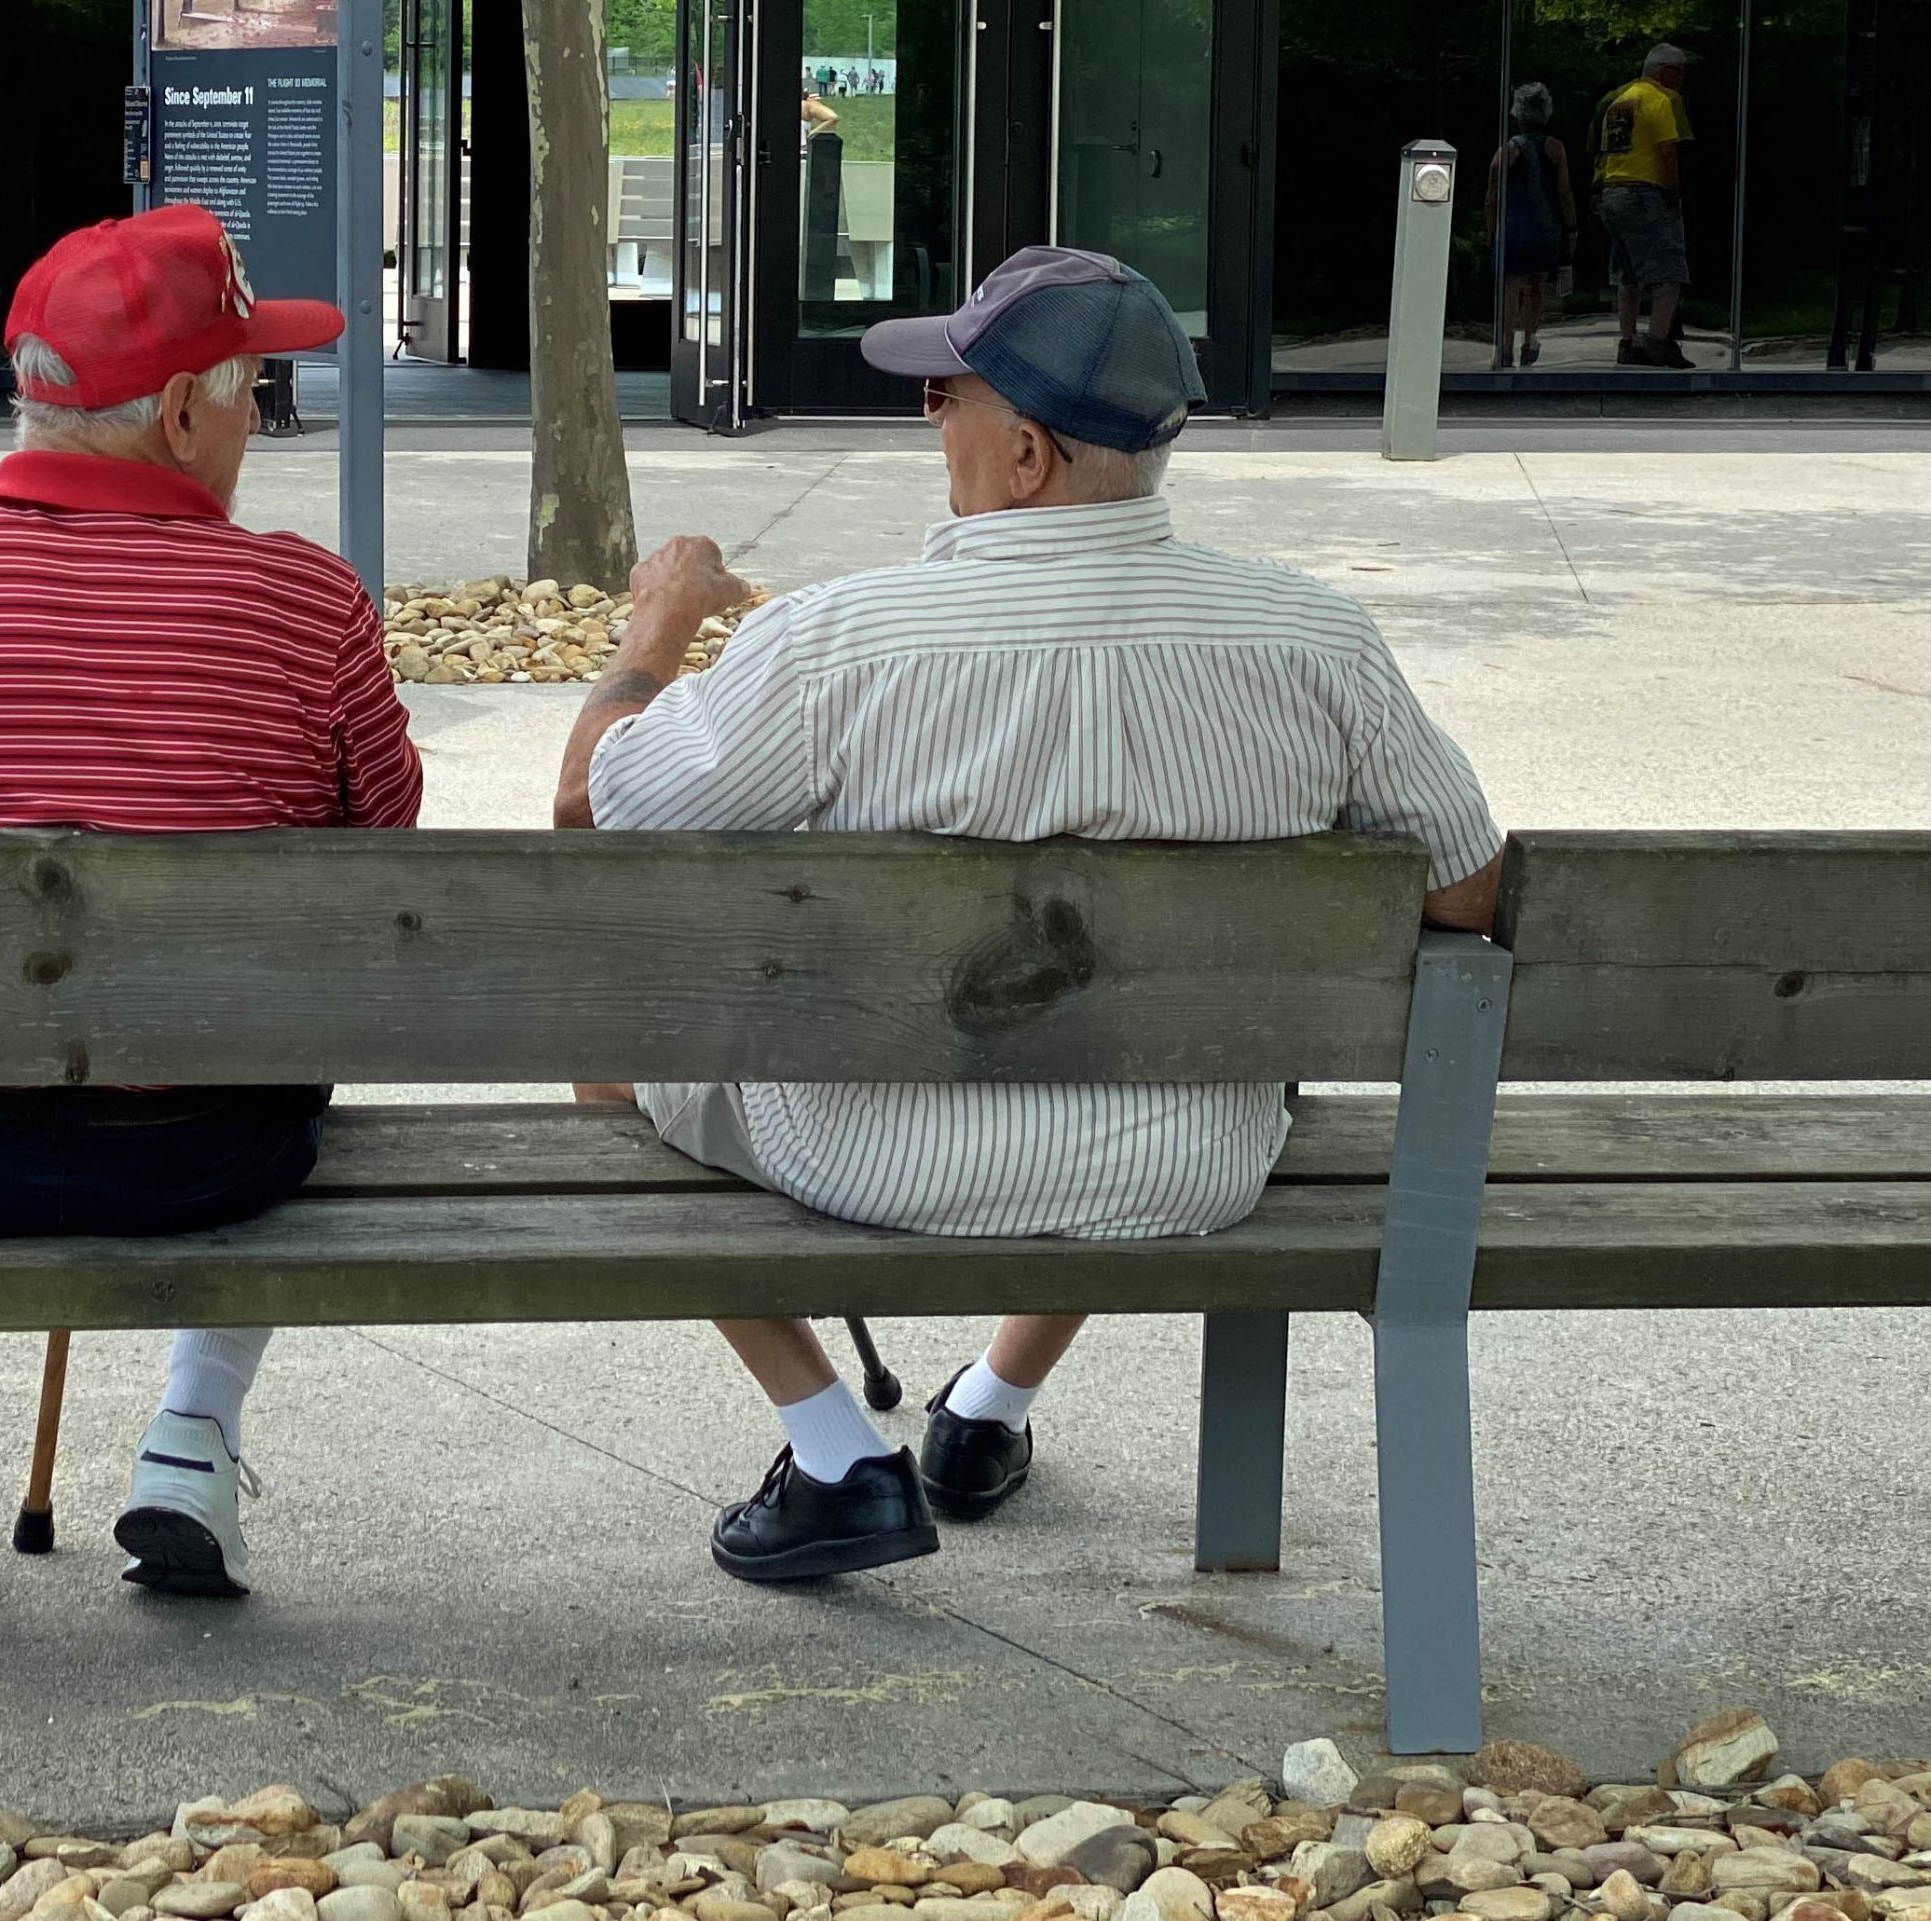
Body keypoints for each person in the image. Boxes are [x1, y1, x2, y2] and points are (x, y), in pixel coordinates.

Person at [553, 247, 1503, 1582]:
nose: (927, 413)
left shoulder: (841, 643)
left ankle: (835, 1448)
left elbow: (591, 806)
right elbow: (1467, 888)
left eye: (951, 393)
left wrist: (654, 631)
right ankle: (988, 1409)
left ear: (1030, 458)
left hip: (864, 1154)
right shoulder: (1315, 641)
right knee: (1144, 1044)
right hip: (1186, 1167)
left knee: (601, 1031)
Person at [0, 205, 422, 1604]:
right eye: (255, 387)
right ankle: (193, 1434)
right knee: (286, 1001)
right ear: (182, 413)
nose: (259, 418)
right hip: (217, 1152)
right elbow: (382, 859)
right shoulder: (310, 608)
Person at [1592, 44, 1695, 368]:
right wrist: (1674, 194)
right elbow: (1668, 152)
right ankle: (1658, 343)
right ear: (1665, 71)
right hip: (1645, 192)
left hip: (1613, 192)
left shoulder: (1620, 103)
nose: (1682, 80)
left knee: (1628, 273)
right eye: (1680, 73)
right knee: (1669, 272)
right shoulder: (1660, 101)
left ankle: (1628, 341)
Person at [1486, 82, 1576, 366]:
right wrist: (1571, 226)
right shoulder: (1554, 148)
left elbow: (1492, 197)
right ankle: (1529, 338)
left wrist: (1492, 233)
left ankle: (1505, 344)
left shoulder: (1506, 151)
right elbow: (1563, 191)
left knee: (1510, 286)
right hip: (1545, 228)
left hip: (1513, 228)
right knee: (1537, 284)